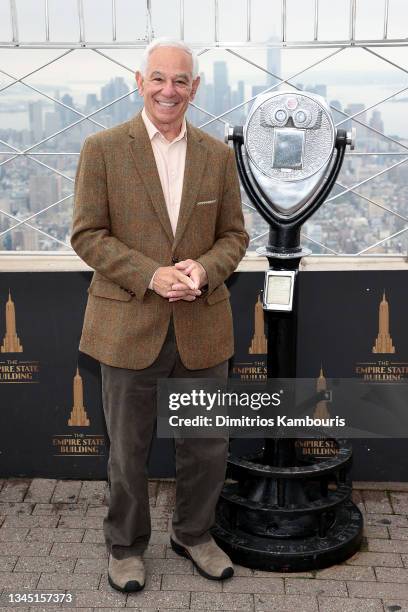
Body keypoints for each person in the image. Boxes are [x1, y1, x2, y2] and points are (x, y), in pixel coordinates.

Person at [71, 38, 248, 593]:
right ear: (139, 81)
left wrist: (204, 270)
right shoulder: (102, 149)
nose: (169, 90)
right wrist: (151, 273)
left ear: (195, 88)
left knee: (206, 447)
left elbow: (235, 236)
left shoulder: (218, 155)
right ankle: (124, 548)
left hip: (202, 326)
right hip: (128, 325)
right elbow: (87, 234)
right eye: (158, 79)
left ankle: (194, 535)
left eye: (180, 81)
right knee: (127, 452)